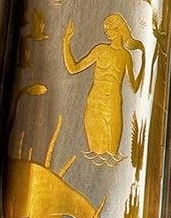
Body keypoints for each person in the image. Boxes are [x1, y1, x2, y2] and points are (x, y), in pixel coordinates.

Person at [62, 13, 145, 161]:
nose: (106, 32)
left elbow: (133, 86)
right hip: (96, 100)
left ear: (119, 29)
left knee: (111, 152)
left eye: (109, 28)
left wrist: (144, 65)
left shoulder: (126, 56)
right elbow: (73, 68)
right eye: (105, 29)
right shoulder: (100, 50)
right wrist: (66, 42)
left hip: (113, 102)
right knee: (95, 151)